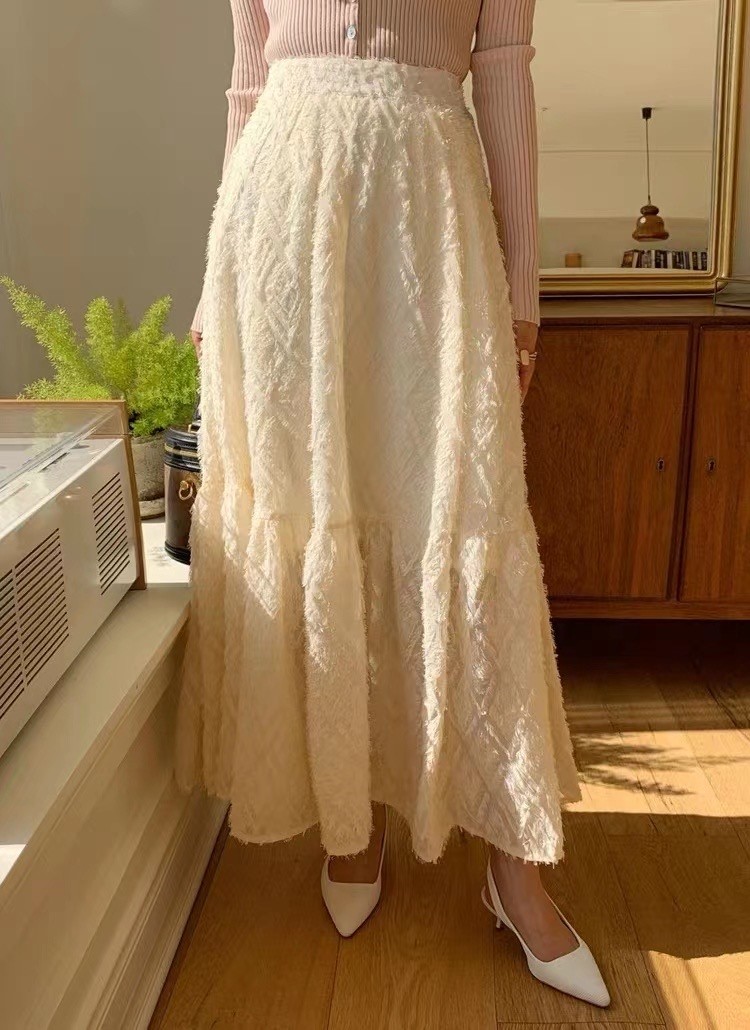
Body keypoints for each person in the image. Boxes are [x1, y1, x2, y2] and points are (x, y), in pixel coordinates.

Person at [175, 0, 609, 1007]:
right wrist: (212, 276)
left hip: (430, 218)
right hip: (281, 221)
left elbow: (505, 77)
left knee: (465, 514)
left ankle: (515, 868)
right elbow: (249, 84)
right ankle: (351, 817)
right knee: (314, 503)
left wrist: (522, 298)